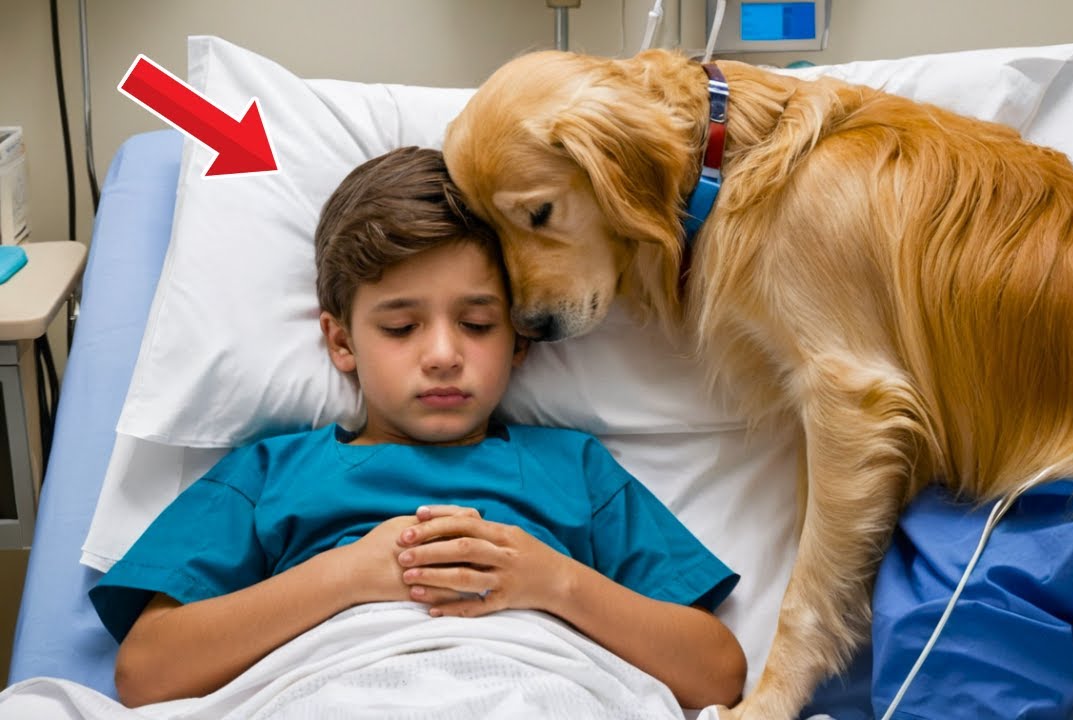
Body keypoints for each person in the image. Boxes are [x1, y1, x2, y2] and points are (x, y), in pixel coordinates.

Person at [88, 146, 746, 712]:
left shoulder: (572, 468)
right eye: (401, 327)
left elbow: (716, 671)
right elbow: (147, 672)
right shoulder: (271, 473)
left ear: (520, 339)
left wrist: (555, 583)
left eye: (478, 324)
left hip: (540, 686)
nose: (441, 354)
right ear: (341, 342)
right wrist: (348, 577)